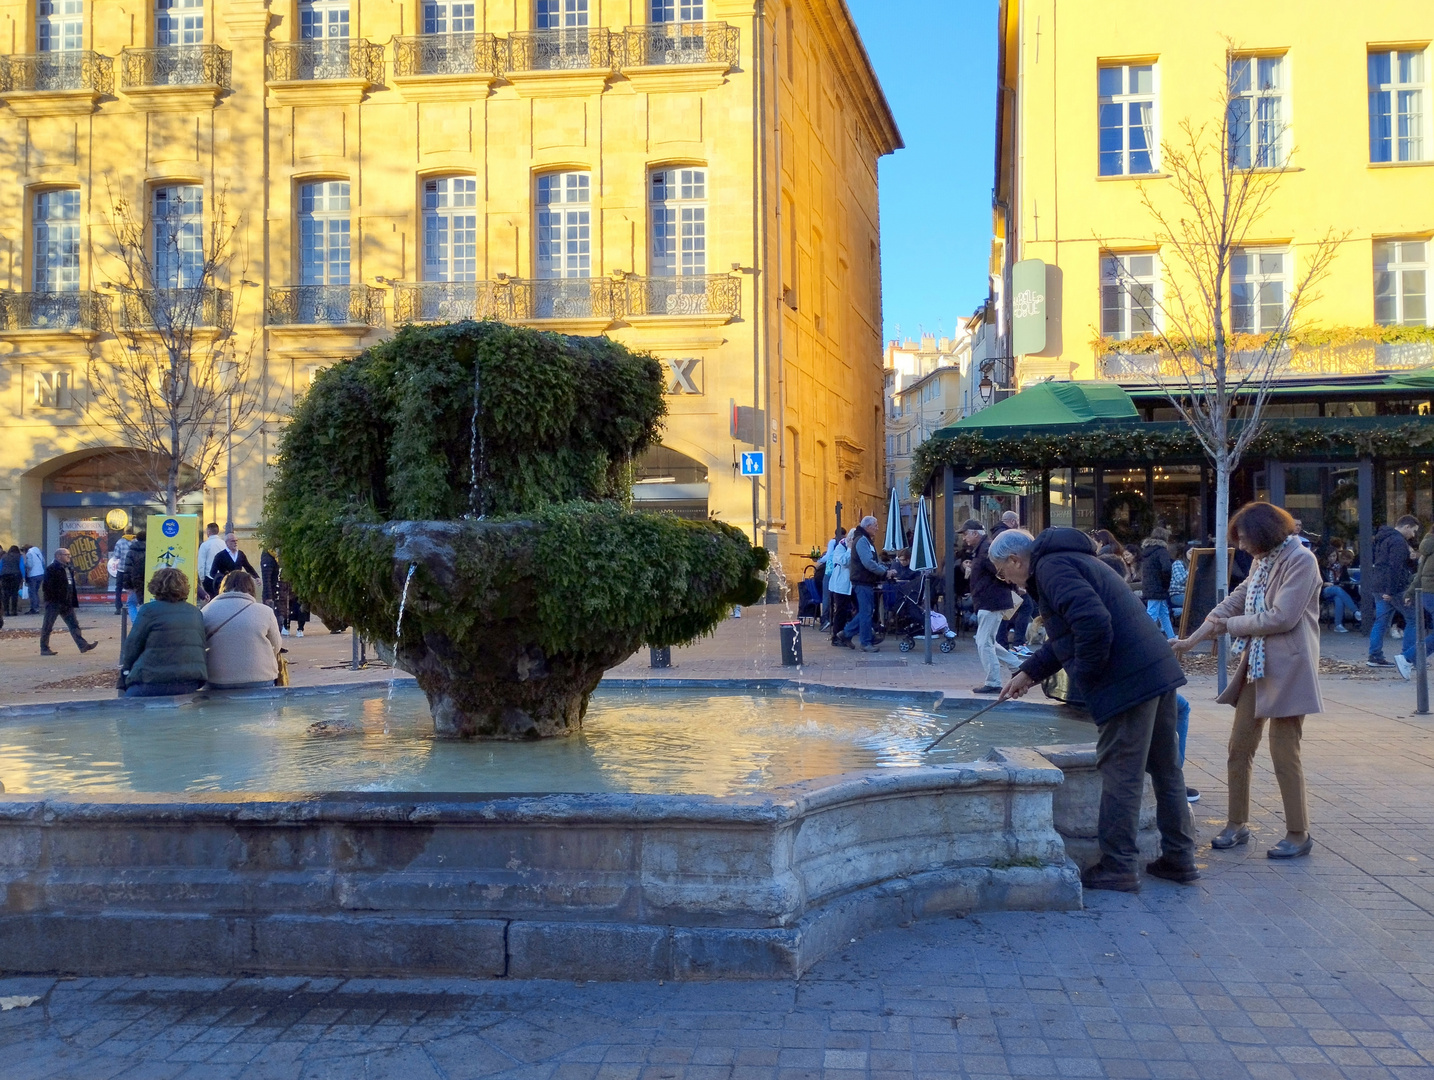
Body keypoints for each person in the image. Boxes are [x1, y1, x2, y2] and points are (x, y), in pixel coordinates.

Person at [990, 527, 1196, 891]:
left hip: (1129, 678)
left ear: (1015, 560)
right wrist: (1029, 672)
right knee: (1165, 769)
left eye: (1003, 573)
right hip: (1155, 668)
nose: (1006, 581)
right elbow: (1069, 634)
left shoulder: (1052, 568)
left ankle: (1118, 866)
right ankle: (1179, 858)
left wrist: (1087, 678)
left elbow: (1092, 623)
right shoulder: (1069, 560)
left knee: (1122, 773)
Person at [1173, 501, 1322, 860]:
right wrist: (1191, 640)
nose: (1240, 547)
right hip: (1256, 666)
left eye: (1244, 539)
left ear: (1265, 535)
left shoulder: (1301, 560)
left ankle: (1298, 833)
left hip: (1290, 669)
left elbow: (1282, 617)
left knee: (1284, 751)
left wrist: (1231, 626)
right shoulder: (1263, 560)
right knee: (1238, 747)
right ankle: (1236, 824)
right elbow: (1236, 600)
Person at [119, 567, 207, 697]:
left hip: (153, 680)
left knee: (128, 703)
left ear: (155, 586)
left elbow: (132, 646)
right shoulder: (195, 612)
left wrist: (126, 670)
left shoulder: (148, 610)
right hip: (189, 681)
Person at [203, 570, 282, 689]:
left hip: (217, 679)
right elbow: (276, 646)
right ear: (251, 588)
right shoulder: (265, 612)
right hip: (260, 677)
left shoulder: (206, 611)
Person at [970, 520, 1021, 694]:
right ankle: (1018, 666)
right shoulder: (983, 549)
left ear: (975, 533)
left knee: (984, 643)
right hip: (991, 600)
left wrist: (1012, 585)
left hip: (990, 601)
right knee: (986, 640)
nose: (964, 537)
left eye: (965, 534)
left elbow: (1001, 571)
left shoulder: (985, 550)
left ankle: (993, 682)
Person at [1368, 515, 1419, 668]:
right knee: (1413, 619)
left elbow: (1384, 563)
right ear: (1407, 527)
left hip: (1378, 584)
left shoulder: (1382, 538)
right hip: (1394, 587)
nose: (1413, 535)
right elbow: (1395, 567)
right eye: (1414, 531)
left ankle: (1374, 656)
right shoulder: (1398, 541)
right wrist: (1390, 591)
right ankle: (1407, 657)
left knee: (1381, 622)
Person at [838, 515, 892, 653]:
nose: (878, 528)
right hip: (862, 581)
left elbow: (874, 560)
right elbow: (868, 562)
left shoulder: (866, 540)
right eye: (876, 525)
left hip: (865, 581)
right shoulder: (862, 541)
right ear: (868, 526)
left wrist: (884, 569)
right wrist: (884, 573)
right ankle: (865, 642)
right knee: (866, 612)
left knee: (865, 611)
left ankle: (846, 634)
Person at [40, 548, 99, 656]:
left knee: (74, 624)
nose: (69, 557)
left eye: (69, 555)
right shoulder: (52, 569)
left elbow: (70, 585)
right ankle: (44, 648)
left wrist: (71, 599)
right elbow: (47, 586)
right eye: (66, 555)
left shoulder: (68, 568)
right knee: (48, 625)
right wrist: (52, 599)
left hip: (67, 602)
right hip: (55, 602)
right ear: (58, 556)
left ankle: (83, 645)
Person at [1396, 523, 1434, 681]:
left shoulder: (1428, 545)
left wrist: (1410, 592)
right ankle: (1407, 658)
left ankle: (1409, 658)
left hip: (1427, 593)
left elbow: (1419, 574)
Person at [1140, 527, 1175, 638]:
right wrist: (1166, 584)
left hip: (1149, 585)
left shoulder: (1147, 552)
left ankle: (1171, 637)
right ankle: (1143, 638)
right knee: (1152, 614)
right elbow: (1166, 568)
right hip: (1158, 586)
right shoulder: (1162, 551)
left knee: (1163, 613)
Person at [207, 532, 259, 596]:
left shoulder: (240, 554)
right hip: (227, 587)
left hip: (239, 585)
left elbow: (248, 567)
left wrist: (256, 577)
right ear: (227, 543)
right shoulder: (220, 556)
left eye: (236, 540)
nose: (235, 542)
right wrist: (223, 580)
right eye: (232, 541)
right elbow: (212, 573)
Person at [1322, 549, 1360, 633]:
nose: (1332, 558)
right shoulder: (1322, 567)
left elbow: (1346, 580)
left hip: (1338, 590)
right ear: (1326, 557)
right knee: (1337, 589)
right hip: (1325, 590)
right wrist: (1325, 583)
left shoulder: (1342, 567)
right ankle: (1356, 611)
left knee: (1338, 598)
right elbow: (1316, 580)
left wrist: (1344, 584)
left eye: (1334, 556)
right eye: (1330, 556)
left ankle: (1338, 625)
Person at [826, 530, 853, 645]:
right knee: (841, 611)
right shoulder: (841, 546)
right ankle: (836, 637)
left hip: (853, 583)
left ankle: (847, 633)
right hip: (841, 584)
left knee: (861, 609)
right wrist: (850, 549)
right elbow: (844, 562)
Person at [123, 530, 147, 622]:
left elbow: (127, 569)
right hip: (147, 581)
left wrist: (127, 586)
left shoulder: (131, 552)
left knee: (131, 603)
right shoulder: (151, 550)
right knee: (144, 604)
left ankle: (136, 623)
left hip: (134, 581)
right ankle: (143, 624)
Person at [197, 523, 225, 601]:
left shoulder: (205, 545)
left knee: (210, 600)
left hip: (209, 577)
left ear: (208, 531)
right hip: (223, 577)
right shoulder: (224, 544)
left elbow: (201, 563)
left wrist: (202, 578)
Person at [111, 532, 132, 614]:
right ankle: (130, 606)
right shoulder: (135, 542)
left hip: (121, 569)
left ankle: (118, 608)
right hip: (131, 570)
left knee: (118, 588)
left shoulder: (119, 542)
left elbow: (116, 556)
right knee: (131, 589)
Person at [0, 545, 23, 617]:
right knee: (14, 594)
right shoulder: (19, 556)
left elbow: (0, 566)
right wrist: (24, 577)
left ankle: (6, 611)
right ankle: (14, 610)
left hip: (5, 576)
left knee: (5, 594)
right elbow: (21, 567)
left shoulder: (4, 556)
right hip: (15, 576)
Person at [23, 542, 45, 614]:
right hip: (40, 573)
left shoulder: (29, 553)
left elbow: (30, 565)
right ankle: (37, 607)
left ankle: (34, 608)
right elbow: (43, 562)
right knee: (36, 591)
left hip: (33, 575)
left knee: (32, 592)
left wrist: (25, 564)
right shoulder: (38, 552)